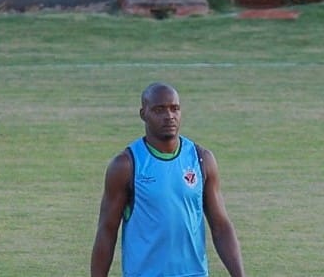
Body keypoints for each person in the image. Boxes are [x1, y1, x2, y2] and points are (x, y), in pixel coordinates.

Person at [91, 82, 246, 277]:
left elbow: (221, 227)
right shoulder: (126, 165)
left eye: (175, 108)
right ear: (143, 114)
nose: (169, 116)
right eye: (159, 110)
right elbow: (107, 230)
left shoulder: (201, 159)